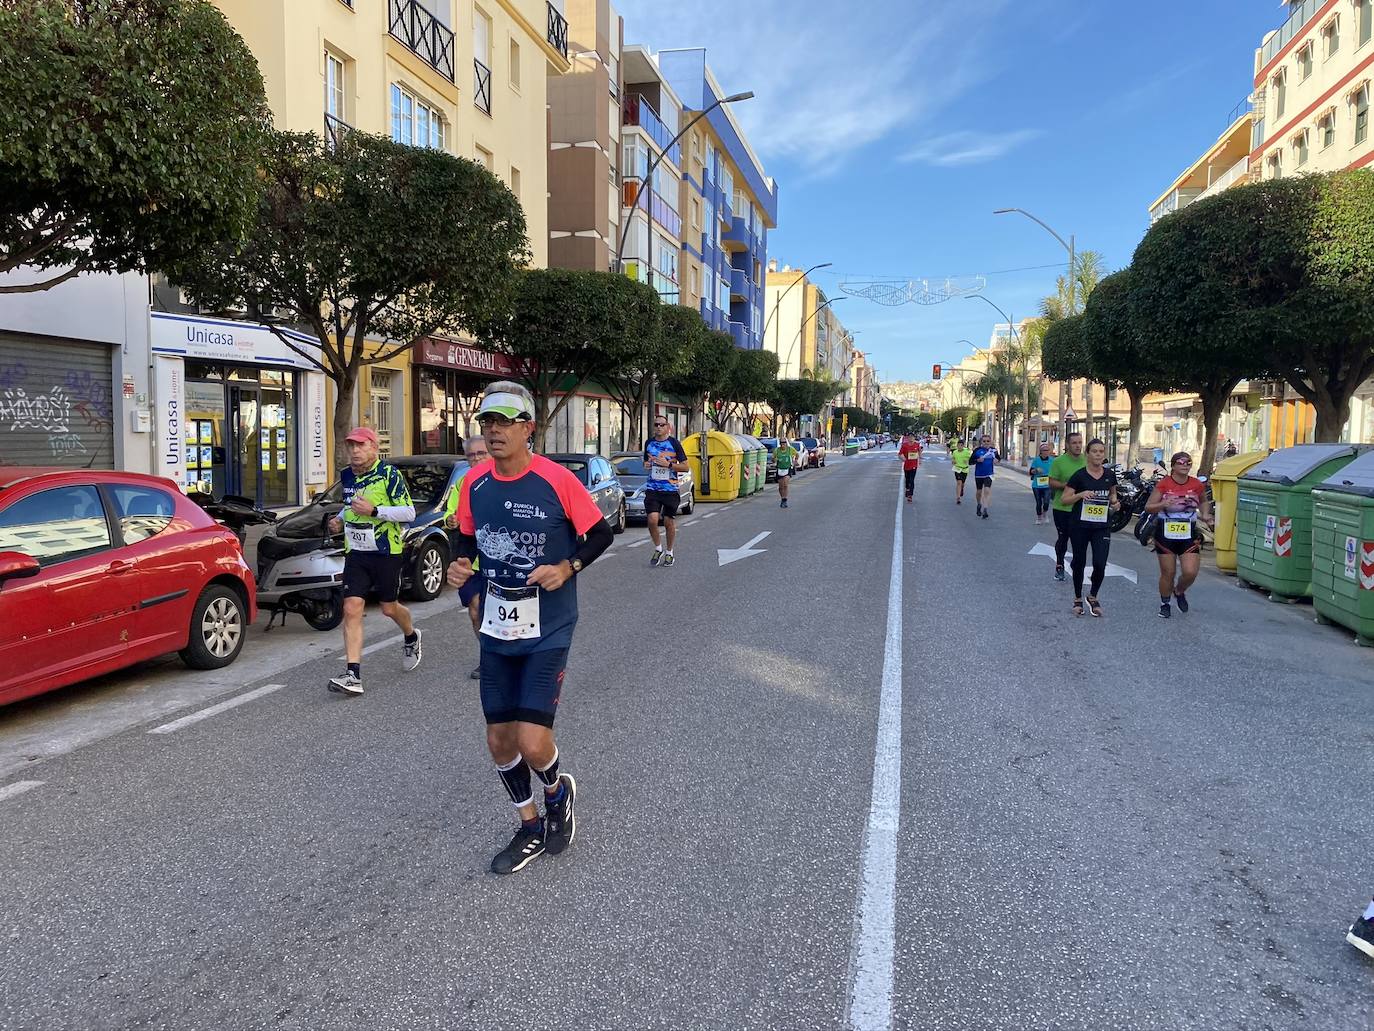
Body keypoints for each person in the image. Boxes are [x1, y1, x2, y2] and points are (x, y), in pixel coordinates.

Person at [446, 381, 613, 875]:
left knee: (533, 741)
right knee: (499, 740)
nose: (493, 431)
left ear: (528, 428)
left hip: (550, 626)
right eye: (486, 423)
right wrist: (462, 570)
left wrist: (568, 567)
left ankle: (558, 791)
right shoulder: (475, 483)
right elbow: (467, 542)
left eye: (503, 422)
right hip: (498, 626)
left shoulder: (557, 480)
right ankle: (529, 824)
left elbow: (600, 533)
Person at [327, 427, 421, 696]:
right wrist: (339, 520)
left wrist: (375, 511)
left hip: (385, 551)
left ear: (374, 447)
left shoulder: (389, 475)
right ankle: (353, 674)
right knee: (352, 607)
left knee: (389, 608)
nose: (355, 451)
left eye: (361, 445)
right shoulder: (347, 476)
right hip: (356, 552)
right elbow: (350, 505)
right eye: (351, 446)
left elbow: (409, 512)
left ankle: (411, 635)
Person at [443, 434, 491, 680]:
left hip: (499, 562)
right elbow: (451, 514)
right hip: (471, 563)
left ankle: (503, 658)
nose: (476, 459)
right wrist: (451, 520)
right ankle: (488, 658)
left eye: (481, 453)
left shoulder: (501, 480)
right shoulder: (463, 484)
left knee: (494, 613)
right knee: (476, 611)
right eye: (471, 455)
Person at [1146, 451, 1214, 619]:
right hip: (1166, 533)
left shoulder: (1197, 484)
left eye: (1188, 463)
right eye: (1181, 462)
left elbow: (1204, 501)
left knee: (1190, 572)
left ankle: (1179, 590)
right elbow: (1149, 507)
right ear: (1174, 466)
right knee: (1168, 572)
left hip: (1188, 532)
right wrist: (1163, 503)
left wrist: (1205, 514)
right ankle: (1165, 603)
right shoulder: (1164, 484)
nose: (1185, 465)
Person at [1059, 438, 1119, 618]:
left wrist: (1116, 504)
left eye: (1101, 451)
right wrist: (1080, 494)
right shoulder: (1079, 476)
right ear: (1088, 454)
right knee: (1079, 563)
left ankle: (1093, 596)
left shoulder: (1109, 475)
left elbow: (1113, 495)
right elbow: (1064, 499)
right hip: (1080, 526)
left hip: (1101, 526)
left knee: (1100, 563)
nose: (1098, 455)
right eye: (1095, 451)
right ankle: (1077, 598)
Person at [643, 415, 688, 567]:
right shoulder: (648, 443)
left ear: (667, 427)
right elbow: (645, 462)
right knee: (652, 520)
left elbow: (685, 466)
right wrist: (647, 465)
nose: (659, 427)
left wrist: (668, 465)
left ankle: (669, 552)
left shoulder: (674, 443)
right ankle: (658, 548)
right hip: (652, 488)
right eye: (656, 424)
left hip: (670, 489)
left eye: (662, 425)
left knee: (668, 522)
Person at [1048, 431, 1087, 582]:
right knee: (1063, 538)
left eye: (1079, 442)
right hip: (1062, 508)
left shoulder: (1087, 461)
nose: (1078, 446)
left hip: (1082, 509)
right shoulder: (1059, 462)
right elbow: (1051, 482)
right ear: (1067, 445)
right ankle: (1059, 564)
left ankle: (1076, 564)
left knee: (1080, 540)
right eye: (1074, 443)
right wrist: (1069, 485)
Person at [969, 434, 1000, 519]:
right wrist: (977, 460)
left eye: (988, 441)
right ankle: (979, 504)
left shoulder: (994, 451)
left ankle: (985, 509)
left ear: (990, 442)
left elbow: (998, 460)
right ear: (981, 442)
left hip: (989, 474)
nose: (986, 443)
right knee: (979, 492)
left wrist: (996, 461)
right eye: (984, 441)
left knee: (987, 490)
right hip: (979, 474)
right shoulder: (977, 450)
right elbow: (970, 462)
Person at [1028, 442, 1054, 525]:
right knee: (1039, 502)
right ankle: (1039, 517)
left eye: (1047, 450)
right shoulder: (1036, 460)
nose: (1046, 452)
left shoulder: (1052, 460)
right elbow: (1030, 472)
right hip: (1037, 485)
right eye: (1044, 450)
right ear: (1041, 451)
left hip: (1047, 484)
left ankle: (1045, 514)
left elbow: (1055, 471)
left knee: (1046, 502)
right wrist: (1035, 470)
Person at [897, 433, 921, 502]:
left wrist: (920, 459)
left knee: (912, 480)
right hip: (907, 465)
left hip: (914, 465)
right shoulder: (904, 445)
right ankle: (907, 489)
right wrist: (903, 458)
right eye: (910, 437)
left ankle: (910, 495)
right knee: (907, 480)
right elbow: (900, 454)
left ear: (914, 438)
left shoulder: (917, 445)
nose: (911, 439)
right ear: (908, 438)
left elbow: (919, 451)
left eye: (912, 437)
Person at [775, 438, 798, 508]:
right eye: (781, 443)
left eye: (784, 443)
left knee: (785, 484)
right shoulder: (777, 450)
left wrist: (795, 461)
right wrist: (775, 460)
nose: (783, 444)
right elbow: (773, 459)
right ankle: (782, 498)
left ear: (786, 443)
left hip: (787, 469)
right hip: (779, 469)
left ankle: (785, 499)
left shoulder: (790, 449)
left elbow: (797, 455)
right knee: (780, 486)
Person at [949, 438, 972, 505]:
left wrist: (967, 461)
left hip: (965, 469)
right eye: (958, 445)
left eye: (960, 445)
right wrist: (953, 461)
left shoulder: (967, 451)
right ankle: (958, 498)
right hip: (957, 468)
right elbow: (953, 458)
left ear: (963, 446)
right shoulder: (955, 452)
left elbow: (971, 459)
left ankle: (962, 488)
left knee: (962, 483)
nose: (959, 447)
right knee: (959, 482)